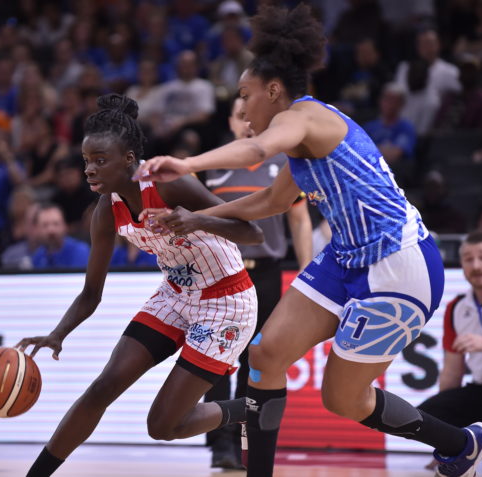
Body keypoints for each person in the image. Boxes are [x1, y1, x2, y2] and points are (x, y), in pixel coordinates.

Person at [135, 5, 482, 477]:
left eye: (246, 96)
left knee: (343, 400)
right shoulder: (300, 143)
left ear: (274, 90)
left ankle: (460, 442)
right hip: (347, 258)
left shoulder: (305, 118)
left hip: (399, 264)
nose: (243, 109)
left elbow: (257, 150)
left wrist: (187, 164)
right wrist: (196, 217)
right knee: (264, 354)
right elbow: (272, 201)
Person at [16, 94, 263, 477]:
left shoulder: (172, 184)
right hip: (176, 295)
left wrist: (199, 220)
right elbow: (90, 295)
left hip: (227, 301)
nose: (89, 170)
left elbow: (252, 232)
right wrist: (57, 334)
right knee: (103, 386)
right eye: (86, 162)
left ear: (130, 159)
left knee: (162, 426)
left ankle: (246, 409)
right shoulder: (104, 211)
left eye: (100, 161)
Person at [203, 94, 313, 469]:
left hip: (266, 272)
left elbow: (299, 221)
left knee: (257, 359)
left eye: (250, 115)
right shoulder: (212, 166)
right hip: (221, 273)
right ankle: (220, 443)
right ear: (232, 122)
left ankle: (244, 440)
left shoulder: (283, 162)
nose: (246, 122)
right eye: (239, 116)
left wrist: (307, 271)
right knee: (215, 359)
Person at [419, 233, 482, 474]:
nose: (476, 266)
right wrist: (443, 439)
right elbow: (452, 372)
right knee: (428, 414)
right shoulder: (456, 307)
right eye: (468, 259)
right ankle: (461, 451)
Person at [30, 204, 89, 270]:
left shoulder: (80, 251)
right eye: (45, 225)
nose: (51, 230)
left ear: (65, 226)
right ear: (37, 229)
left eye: (56, 224)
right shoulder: (38, 256)